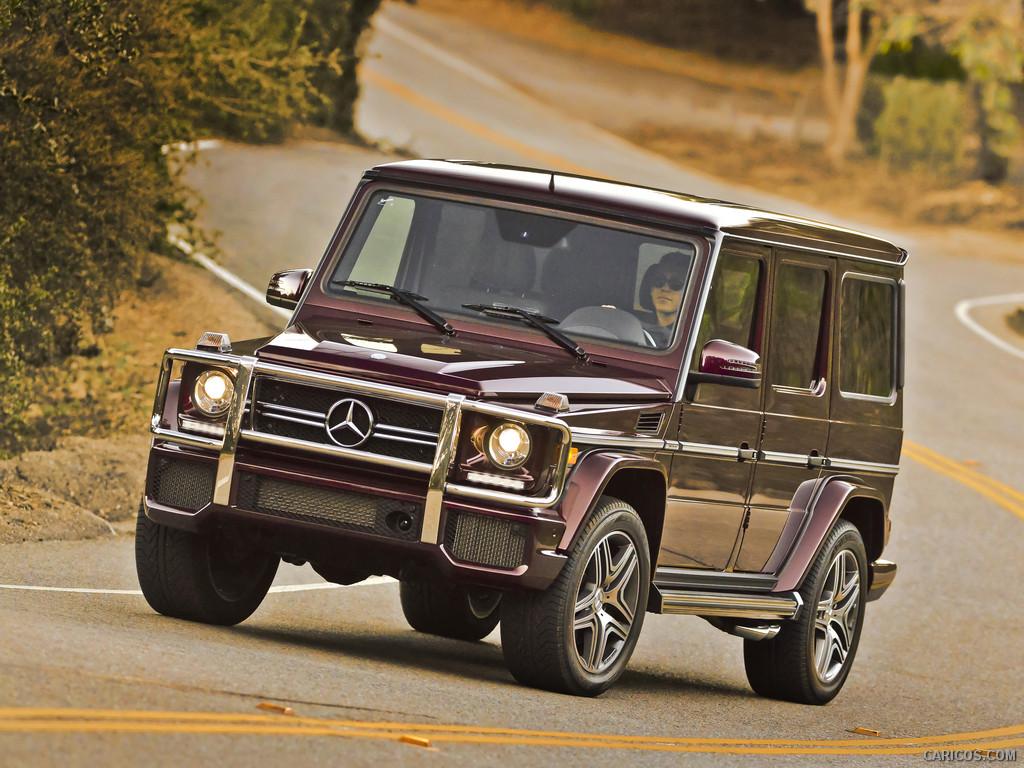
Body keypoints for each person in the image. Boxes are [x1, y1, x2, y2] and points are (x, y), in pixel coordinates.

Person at [637, 251, 689, 347]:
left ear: (689, 292)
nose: (665, 288)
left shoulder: (687, 338)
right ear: (651, 289)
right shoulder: (633, 326)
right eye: (658, 280)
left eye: (676, 283)